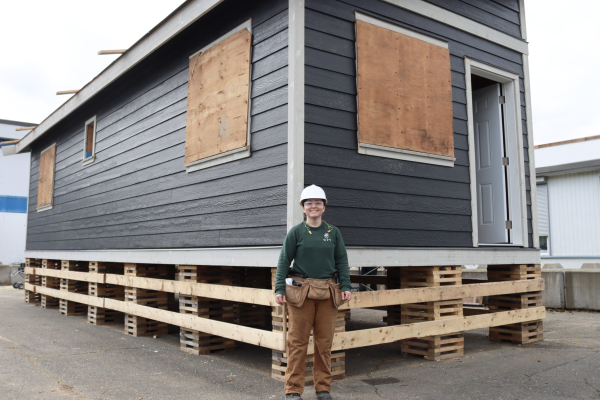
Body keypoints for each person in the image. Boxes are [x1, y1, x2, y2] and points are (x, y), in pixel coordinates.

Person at [275, 185, 352, 400]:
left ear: (324, 207)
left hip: (328, 293)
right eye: (309, 203)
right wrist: (279, 288)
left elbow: (342, 261)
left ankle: (323, 389)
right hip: (301, 294)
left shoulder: (333, 232)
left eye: (318, 202)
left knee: (324, 343)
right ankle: (293, 390)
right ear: (303, 207)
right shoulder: (296, 232)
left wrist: (345, 285)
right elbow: (283, 261)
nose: (313, 206)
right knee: (297, 343)